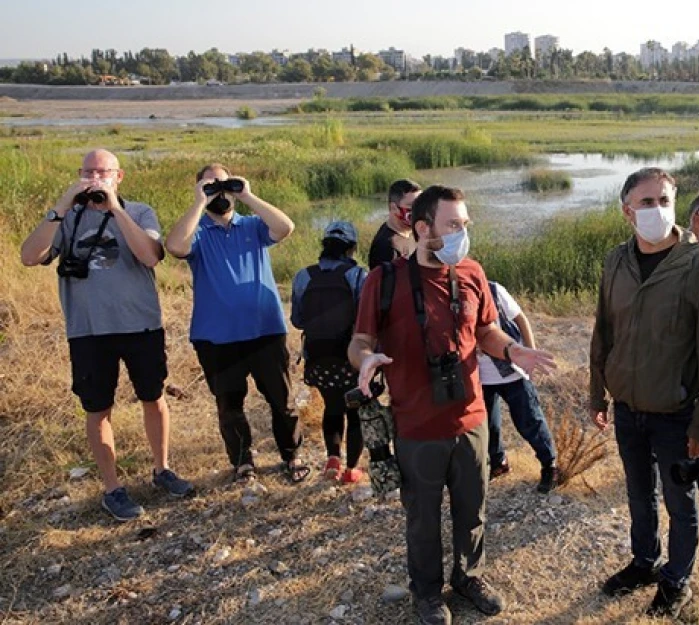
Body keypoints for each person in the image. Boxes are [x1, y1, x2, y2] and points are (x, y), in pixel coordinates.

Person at [349, 185, 556, 625]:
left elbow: (486, 331)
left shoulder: (472, 272)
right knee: (422, 517)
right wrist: (365, 359)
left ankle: (469, 576)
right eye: (454, 225)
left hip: (472, 417)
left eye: (466, 224)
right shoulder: (383, 281)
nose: (463, 233)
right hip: (416, 423)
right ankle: (426, 592)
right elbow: (360, 340)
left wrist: (513, 351)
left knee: (472, 507)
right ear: (423, 228)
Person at [589, 167, 699, 618]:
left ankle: (677, 578)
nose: (657, 210)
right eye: (646, 202)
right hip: (629, 407)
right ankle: (644, 561)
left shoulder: (698, 264)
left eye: (665, 201)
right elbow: (604, 330)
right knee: (638, 493)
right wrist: (598, 394)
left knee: (679, 501)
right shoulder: (617, 260)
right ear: (627, 210)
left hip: (676, 412)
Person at [19, 149, 194, 521]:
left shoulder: (140, 211)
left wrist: (115, 208)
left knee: (154, 396)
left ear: (119, 176)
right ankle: (112, 489)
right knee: (98, 409)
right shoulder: (67, 219)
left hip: (141, 324)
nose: (95, 178)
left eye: (104, 172)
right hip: (89, 330)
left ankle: (162, 469)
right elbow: (30, 256)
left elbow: (150, 256)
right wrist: (62, 206)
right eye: (88, 172)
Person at [165, 163, 309, 484]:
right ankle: (243, 462)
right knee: (230, 404)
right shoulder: (199, 232)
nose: (220, 192)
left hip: (265, 331)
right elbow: (175, 246)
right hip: (217, 336)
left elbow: (285, 227)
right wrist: (201, 200)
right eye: (210, 185)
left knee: (282, 400)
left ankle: (292, 454)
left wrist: (247, 194)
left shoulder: (253, 226)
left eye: (223, 184)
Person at [291, 221, 368, 484]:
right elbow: (365, 318)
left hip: (318, 358)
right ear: (352, 248)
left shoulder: (304, 275)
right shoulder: (358, 276)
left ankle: (333, 458)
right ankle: (352, 469)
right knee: (355, 411)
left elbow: (298, 320)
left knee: (332, 406)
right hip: (350, 356)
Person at [478, 280, 560, 493]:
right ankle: (498, 462)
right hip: (479, 377)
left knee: (529, 420)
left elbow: (520, 318)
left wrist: (530, 352)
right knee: (487, 425)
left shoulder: (494, 290)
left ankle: (549, 465)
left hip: (513, 371)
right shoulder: (453, 295)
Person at [366, 179, 420, 269]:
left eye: (420, 205)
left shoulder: (414, 232)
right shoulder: (385, 247)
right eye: (412, 206)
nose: (418, 211)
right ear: (394, 208)